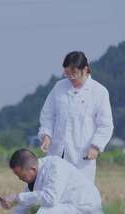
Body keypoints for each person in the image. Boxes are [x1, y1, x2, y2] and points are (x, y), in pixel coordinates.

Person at [0, 148, 105, 214]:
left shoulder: (55, 166)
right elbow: (21, 210)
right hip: (70, 213)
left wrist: (17, 198)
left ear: (32, 169)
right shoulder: (33, 180)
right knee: (32, 208)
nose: (20, 179)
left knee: (37, 211)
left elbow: (50, 198)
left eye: (21, 175)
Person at [38, 51, 114, 181]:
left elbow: (105, 125)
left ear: (85, 70)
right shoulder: (59, 87)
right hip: (57, 152)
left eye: (74, 74)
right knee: (53, 191)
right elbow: (48, 114)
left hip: (81, 156)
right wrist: (46, 135)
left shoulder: (99, 92)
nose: (71, 77)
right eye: (67, 74)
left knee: (79, 194)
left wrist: (95, 146)